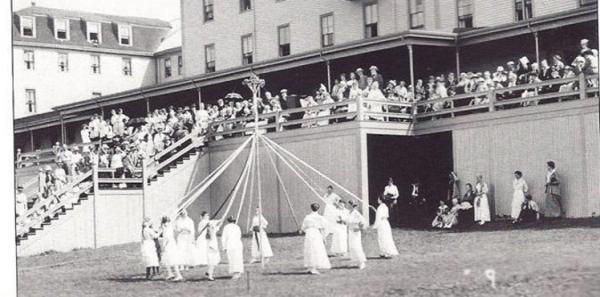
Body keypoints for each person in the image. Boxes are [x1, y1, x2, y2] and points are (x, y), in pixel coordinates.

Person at [301, 203, 331, 275]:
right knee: (315, 249)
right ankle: (312, 268)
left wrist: (304, 230)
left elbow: (303, 227)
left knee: (310, 249)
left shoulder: (307, 217)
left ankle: (311, 266)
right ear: (318, 209)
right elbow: (325, 227)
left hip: (309, 233)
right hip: (316, 233)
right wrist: (324, 237)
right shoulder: (320, 217)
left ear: (311, 208)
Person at [159, 216, 183, 281]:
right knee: (167, 260)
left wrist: (164, 246)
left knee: (173, 260)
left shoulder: (168, 229)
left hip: (169, 246)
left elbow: (167, 238)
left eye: (167, 222)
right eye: (165, 222)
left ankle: (178, 275)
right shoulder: (167, 228)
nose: (166, 223)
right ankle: (170, 274)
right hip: (170, 244)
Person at [346, 200, 367, 269]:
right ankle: (355, 261)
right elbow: (348, 222)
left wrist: (359, 229)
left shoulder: (356, 213)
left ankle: (362, 262)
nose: (347, 206)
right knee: (351, 246)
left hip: (355, 232)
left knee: (356, 246)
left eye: (349, 204)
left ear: (352, 205)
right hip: (350, 231)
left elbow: (363, 222)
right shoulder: (349, 212)